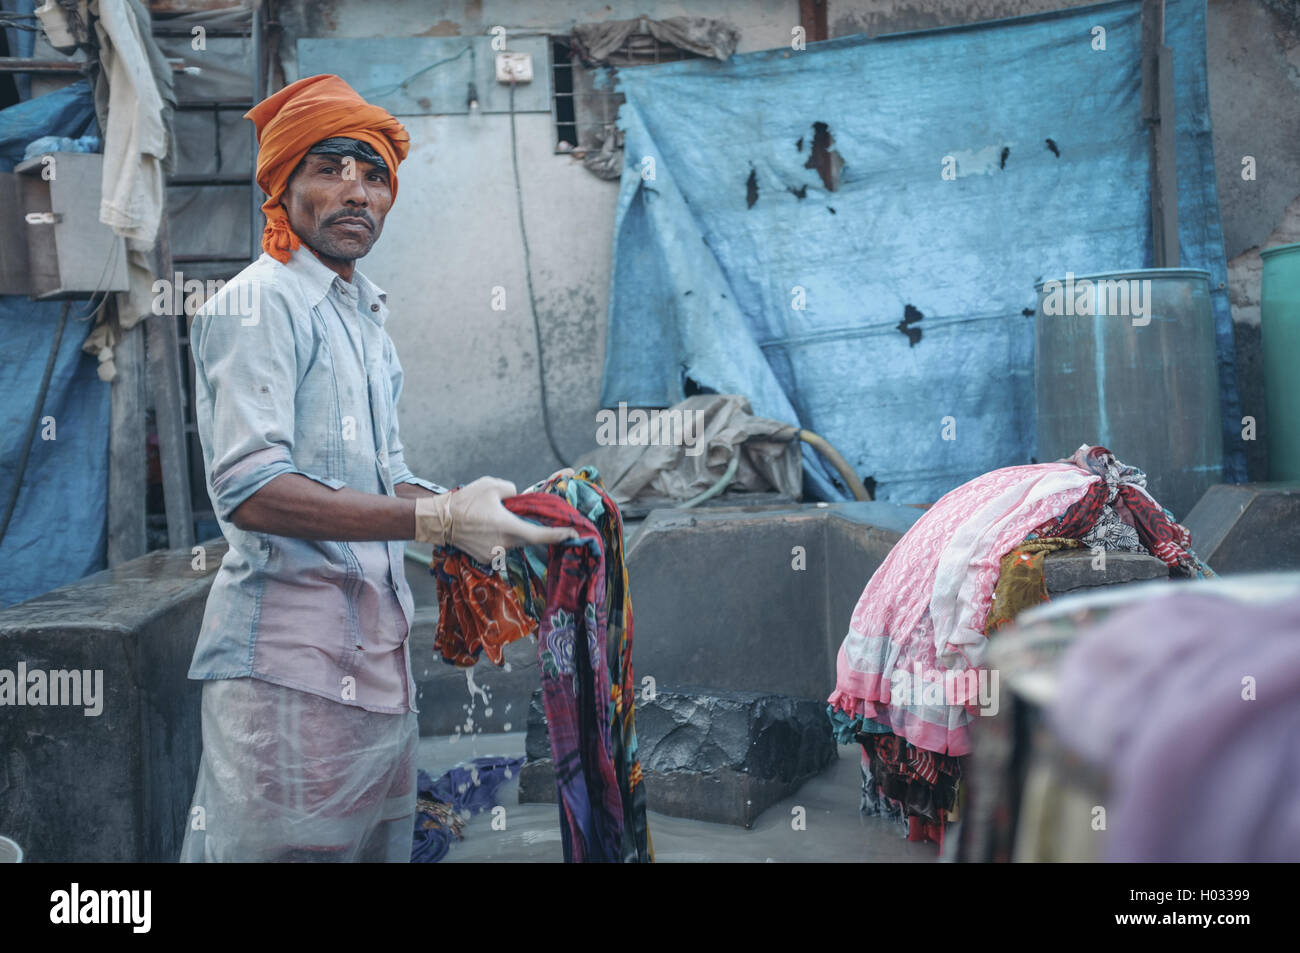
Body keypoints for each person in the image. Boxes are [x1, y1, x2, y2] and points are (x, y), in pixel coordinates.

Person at [179, 74, 574, 862]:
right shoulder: (260, 304)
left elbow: (384, 475)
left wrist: (486, 510)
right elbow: (253, 489)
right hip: (289, 672)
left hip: (377, 659)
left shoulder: (363, 319)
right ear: (283, 184)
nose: (357, 191)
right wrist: (436, 520)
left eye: (375, 174)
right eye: (330, 168)